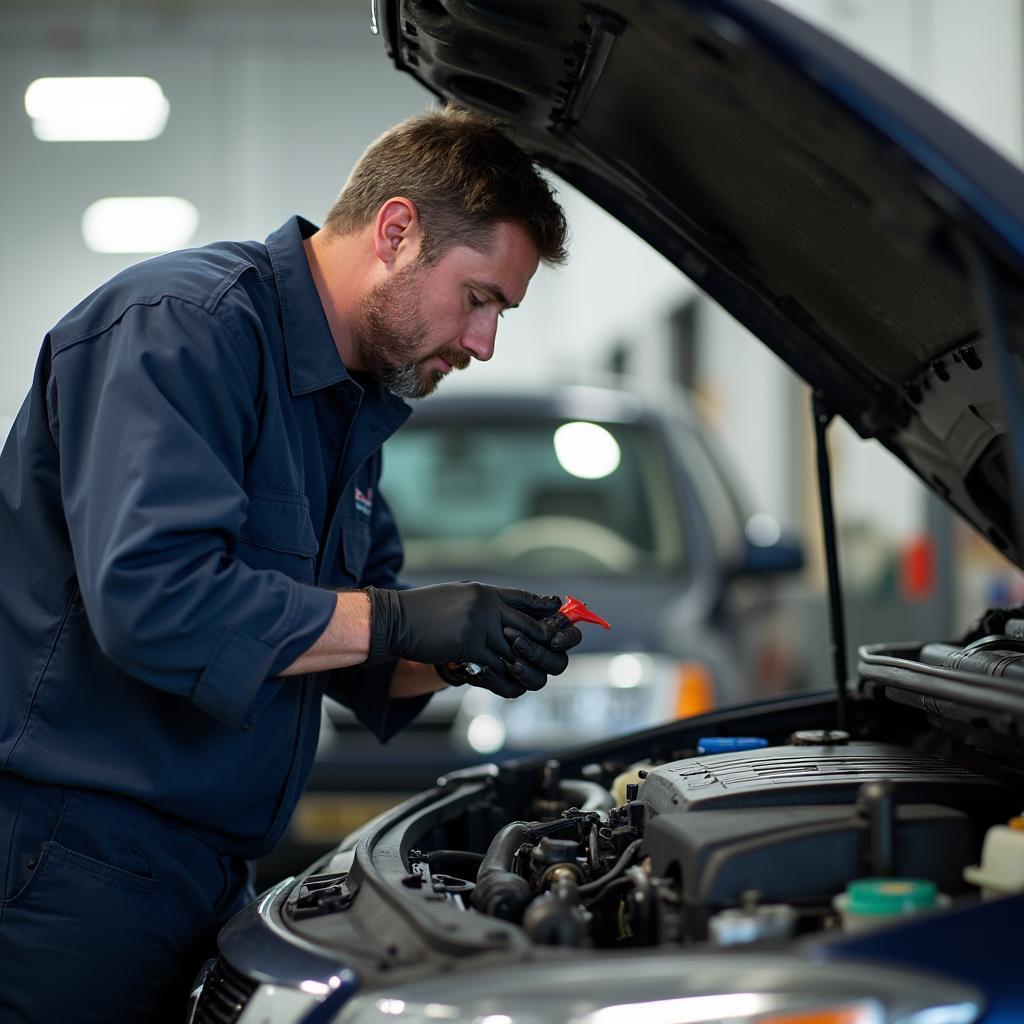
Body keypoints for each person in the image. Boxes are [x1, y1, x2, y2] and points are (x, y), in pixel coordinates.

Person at [0, 105, 581, 1022]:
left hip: (211, 876)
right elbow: (157, 601)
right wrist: (401, 620)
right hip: (73, 866)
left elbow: (356, 649)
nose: (484, 344)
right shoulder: (184, 331)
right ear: (397, 231)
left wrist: (472, 647)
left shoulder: (353, 402)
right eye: (480, 299)